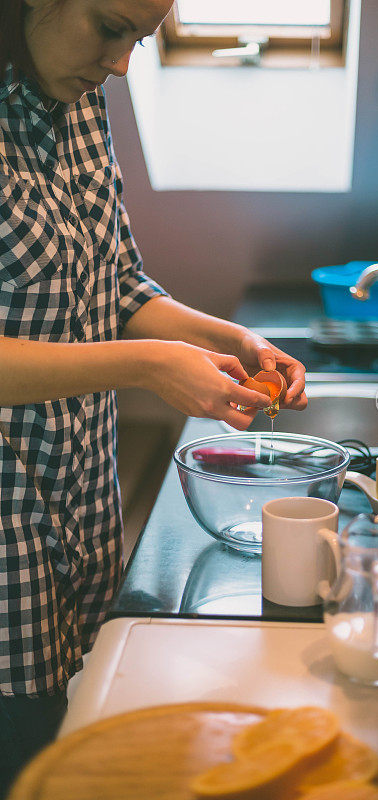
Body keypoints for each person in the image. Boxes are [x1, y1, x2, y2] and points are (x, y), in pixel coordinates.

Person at [0, 0, 307, 793]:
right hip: (6, 539)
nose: (121, 64)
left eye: (139, 38)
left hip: (78, 504)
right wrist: (145, 365)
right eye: (109, 27)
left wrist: (227, 338)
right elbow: (130, 343)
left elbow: (117, 284)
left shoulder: (78, 105)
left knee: (75, 730)